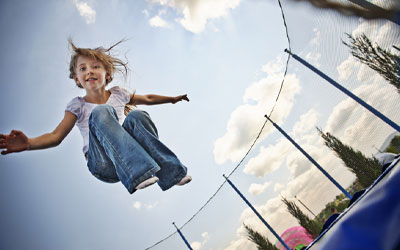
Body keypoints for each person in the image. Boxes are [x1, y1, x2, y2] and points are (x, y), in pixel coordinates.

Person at [0, 39, 192, 194]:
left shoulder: (119, 94)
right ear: (77, 79)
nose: (89, 71)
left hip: (128, 154)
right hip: (102, 163)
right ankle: (137, 173)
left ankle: (172, 173)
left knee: (137, 116)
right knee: (101, 112)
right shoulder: (78, 105)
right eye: (82, 68)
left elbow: (147, 98)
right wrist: (28, 144)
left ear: (107, 74)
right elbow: (55, 136)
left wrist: (173, 99)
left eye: (95, 67)